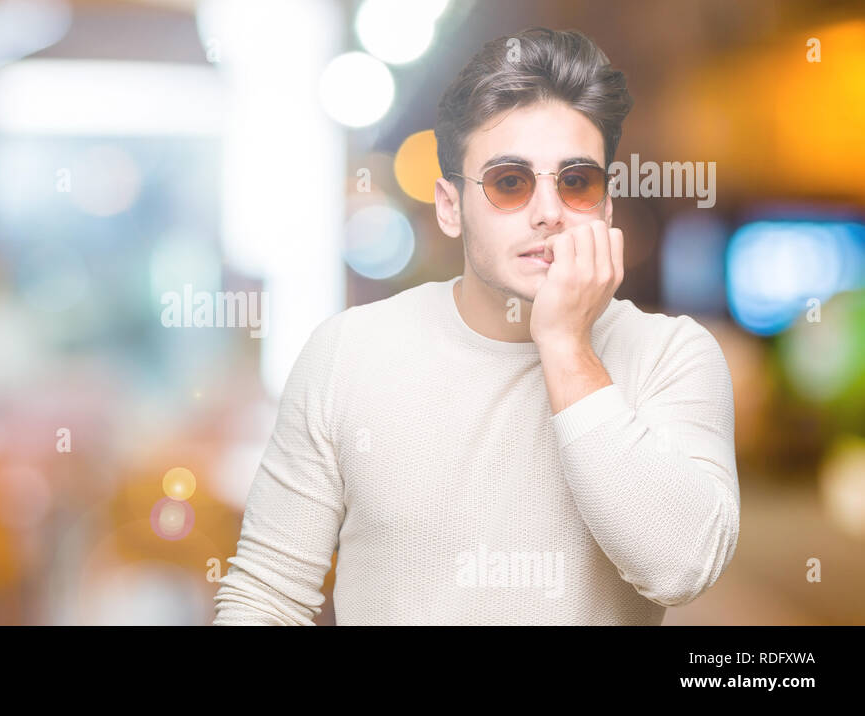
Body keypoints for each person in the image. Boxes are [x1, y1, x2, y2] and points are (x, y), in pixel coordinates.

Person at [213, 27, 739, 625]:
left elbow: (681, 568)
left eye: (576, 182)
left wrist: (566, 344)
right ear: (449, 207)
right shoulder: (346, 353)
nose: (548, 212)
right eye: (510, 183)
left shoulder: (673, 354)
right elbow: (266, 597)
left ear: (606, 204)